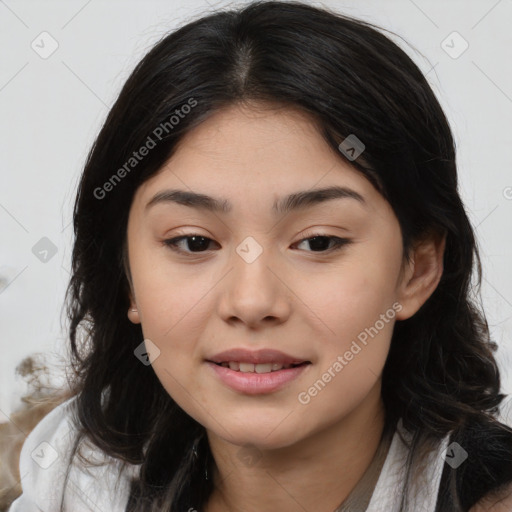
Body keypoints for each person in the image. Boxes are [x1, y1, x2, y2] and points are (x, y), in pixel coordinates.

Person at [7, 1, 512, 511]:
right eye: (194, 242)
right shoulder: (67, 489)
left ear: (417, 269)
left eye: (317, 242)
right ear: (127, 276)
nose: (251, 302)